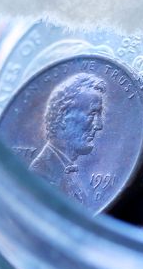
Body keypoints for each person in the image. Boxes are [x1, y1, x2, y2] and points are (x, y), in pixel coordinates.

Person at [29, 72, 106, 203]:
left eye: (99, 115)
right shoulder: (41, 176)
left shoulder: (69, 171)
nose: (98, 125)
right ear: (64, 117)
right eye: (93, 113)